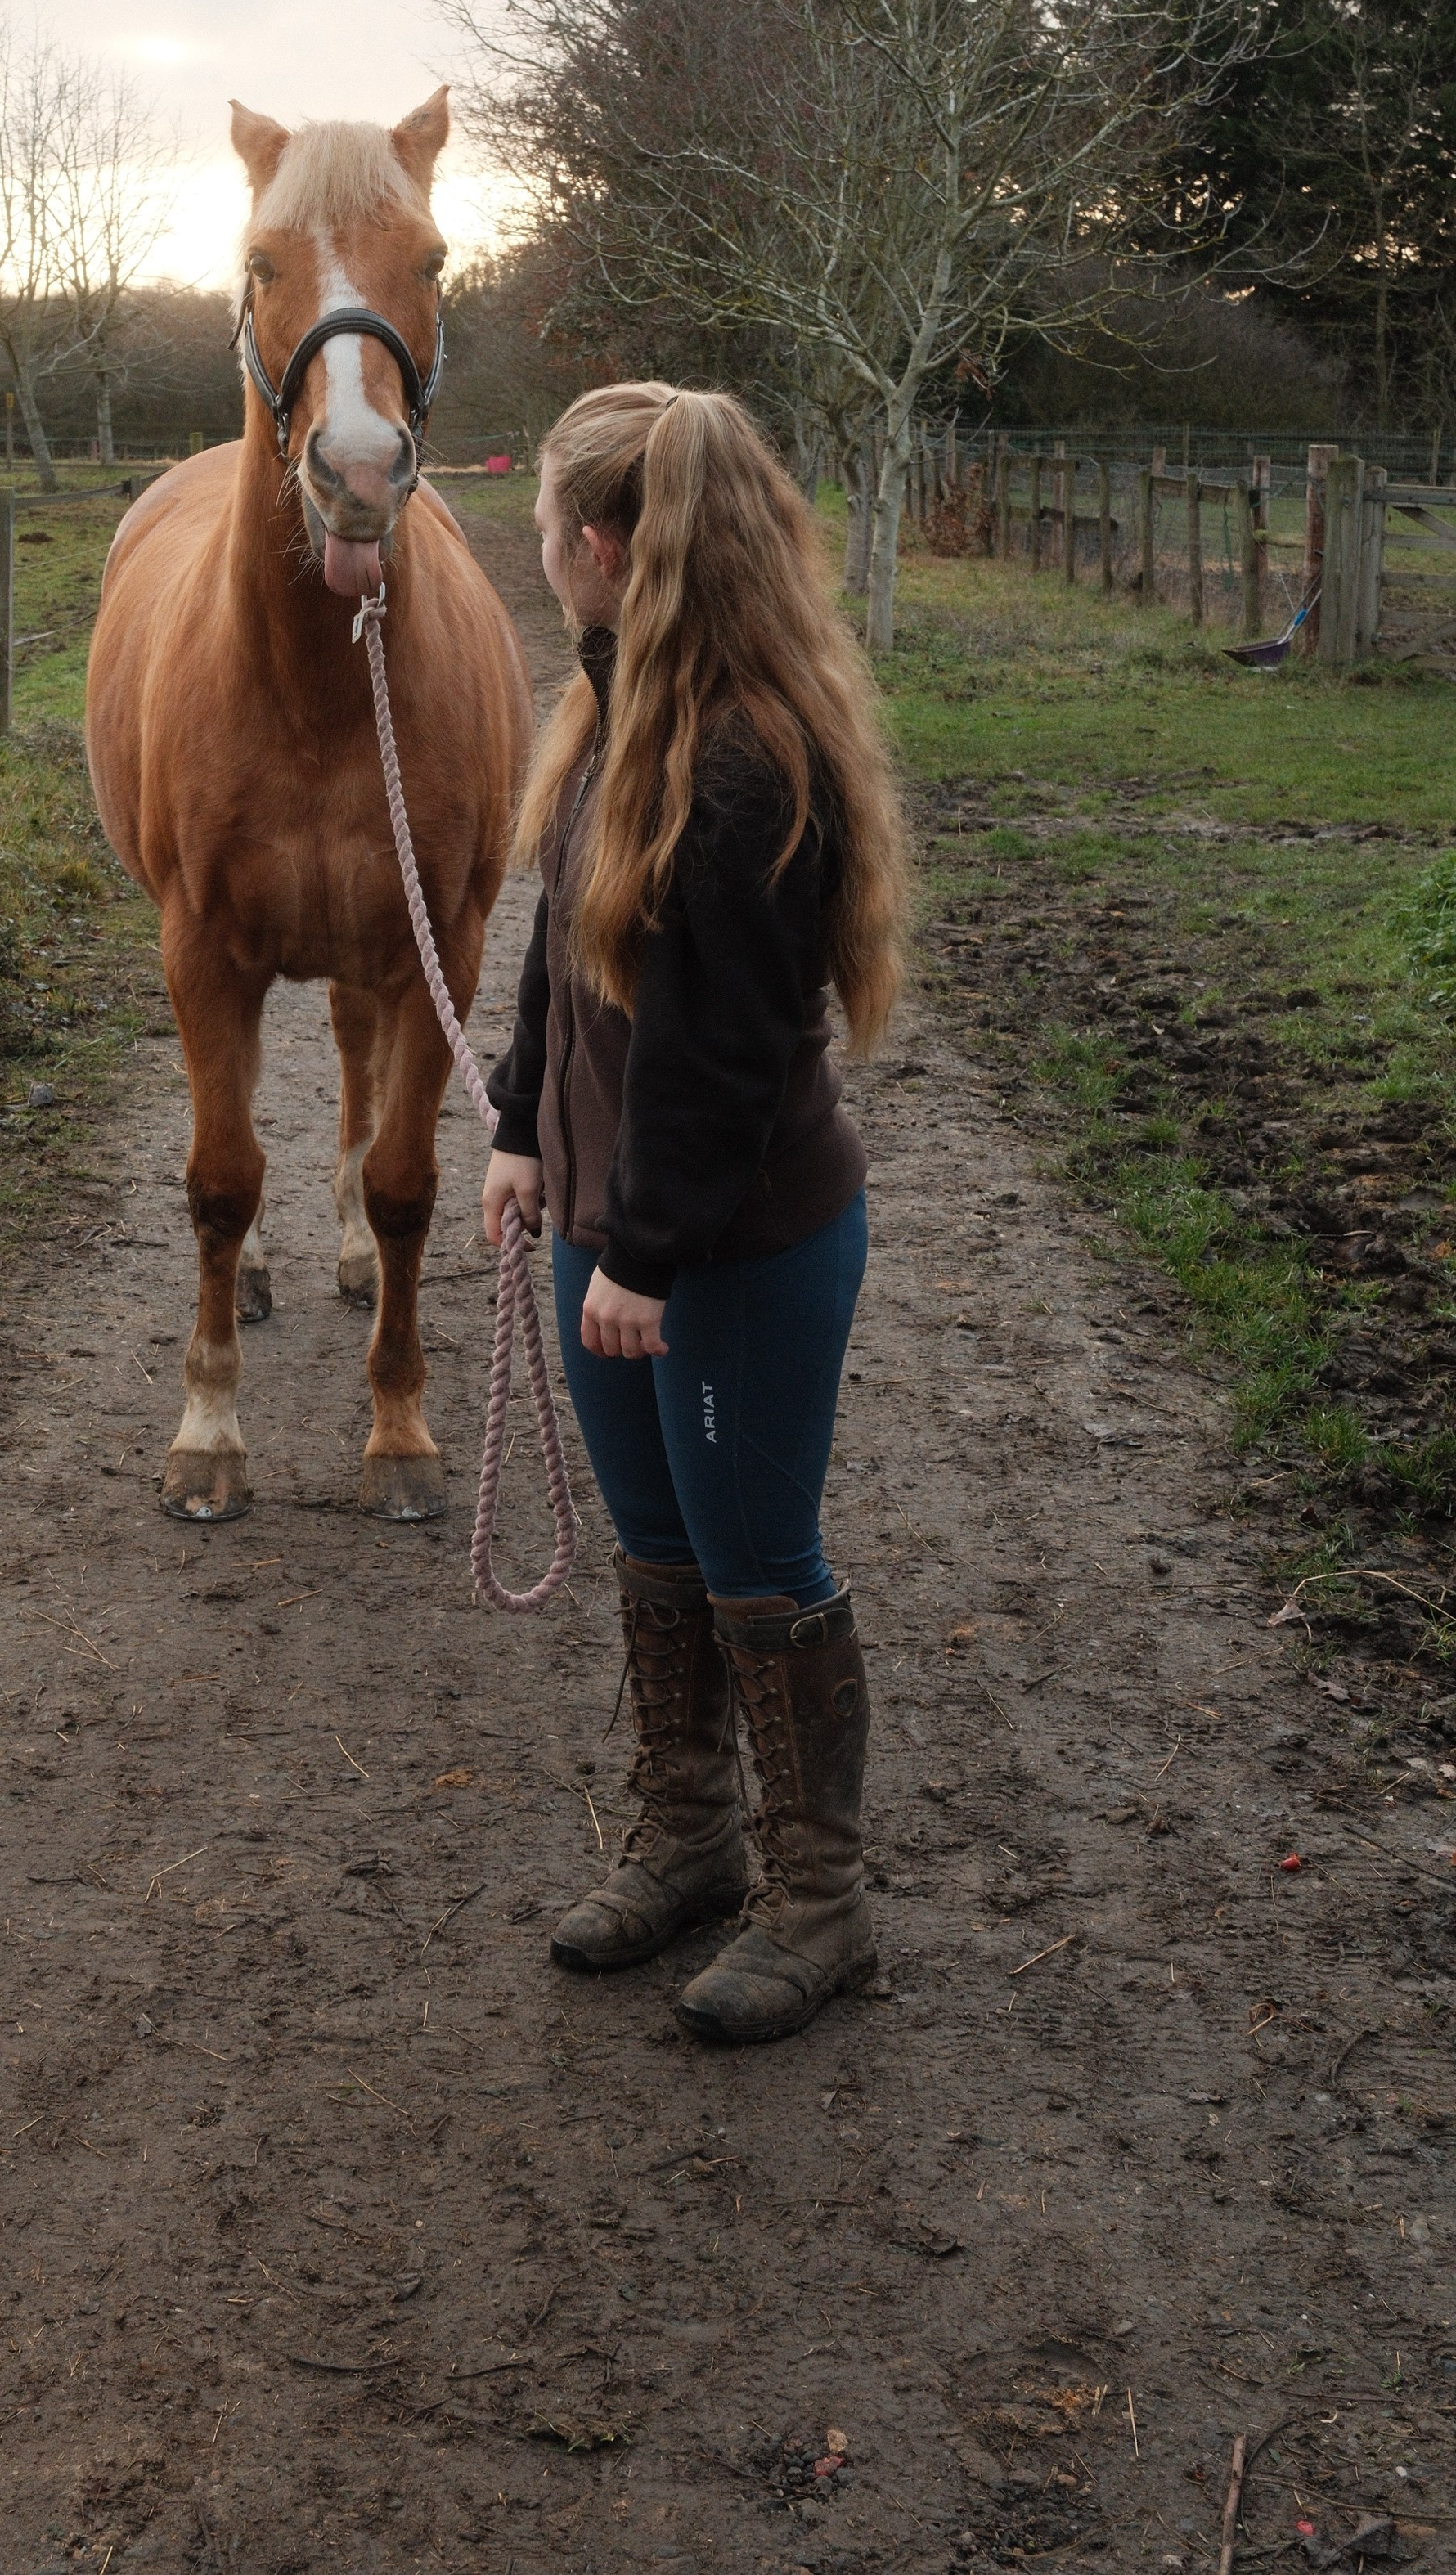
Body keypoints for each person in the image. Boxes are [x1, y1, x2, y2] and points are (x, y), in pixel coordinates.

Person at [482, 384, 908, 2047]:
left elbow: (722, 1057)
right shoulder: (612, 708)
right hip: (616, 1223)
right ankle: (690, 1842)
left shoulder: (742, 764)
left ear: (599, 547)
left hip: (728, 1248)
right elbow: (552, 953)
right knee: (656, 1553)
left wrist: (646, 1257)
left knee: (755, 1560)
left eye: (542, 536)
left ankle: (820, 1904)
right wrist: (523, 1132)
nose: (540, 562)